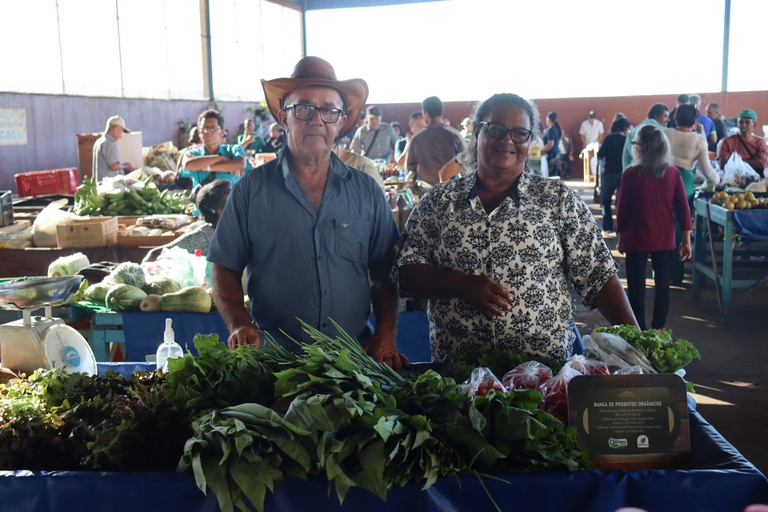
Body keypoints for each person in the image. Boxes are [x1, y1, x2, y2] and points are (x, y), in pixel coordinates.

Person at [393, 93, 638, 362]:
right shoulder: (439, 202)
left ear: (530, 141)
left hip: (545, 378)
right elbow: (406, 272)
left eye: (520, 133)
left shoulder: (557, 199)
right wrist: (461, 284)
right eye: (496, 129)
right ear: (477, 133)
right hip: (460, 378)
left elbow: (600, 276)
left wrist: (638, 347)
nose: (507, 140)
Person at [208, 56, 406, 370]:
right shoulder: (250, 191)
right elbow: (223, 265)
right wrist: (237, 323)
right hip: (274, 364)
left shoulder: (367, 192)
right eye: (303, 108)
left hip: (354, 361)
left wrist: (385, 331)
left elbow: (386, 272)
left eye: (329, 109)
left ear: (340, 122)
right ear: (283, 119)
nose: (317, 119)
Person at [616, 125, 692, 331]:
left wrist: (620, 236)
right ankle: (659, 327)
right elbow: (683, 209)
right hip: (664, 238)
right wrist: (686, 240)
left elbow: (622, 208)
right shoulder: (672, 173)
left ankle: (637, 327)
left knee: (636, 287)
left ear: (640, 148)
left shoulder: (631, 173)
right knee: (662, 285)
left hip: (635, 237)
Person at [663, 104, 721, 284]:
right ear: (695, 121)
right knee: (681, 226)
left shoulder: (665, 133)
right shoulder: (698, 140)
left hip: (662, 177)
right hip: (684, 181)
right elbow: (706, 170)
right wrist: (719, 181)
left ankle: (661, 270)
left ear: (675, 118)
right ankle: (677, 272)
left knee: (662, 223)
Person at [142, 179, 231, 263]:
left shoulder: (237, 230)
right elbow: (154, 254)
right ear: (221, 212)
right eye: (234, 200)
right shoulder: (203, 238)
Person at [180, 110, 251, 188]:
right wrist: (220, 158)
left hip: (231, 200)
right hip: (203, 199)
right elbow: (187, 165)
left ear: (222, 132)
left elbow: (241, 163)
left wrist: (205, 167)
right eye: (204, 128)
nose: (207, 132)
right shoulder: (192, 153)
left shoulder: (233, 150)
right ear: (199, 132)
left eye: (213, 128)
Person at [406, 96, 466, 186]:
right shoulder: (454, 135)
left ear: (426, 114)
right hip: (451, 190)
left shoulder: (417, 138)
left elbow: (410, 169)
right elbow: (467, 161)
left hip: (426, 191)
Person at [597, 117, 631, 232]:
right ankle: (621, 227)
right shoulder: (628, 140)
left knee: (606, 200)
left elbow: (600, 155)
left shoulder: (608, 139)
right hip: (624, 173)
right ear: (626, 128)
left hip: (609, 172)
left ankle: (607, 227)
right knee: (622, 201)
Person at [622, 103, 670, 170]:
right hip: (658, 173)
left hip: (635, 172)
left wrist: (626, 175)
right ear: (656, 116)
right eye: (665, 116)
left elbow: (626, 158)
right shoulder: (664, 132)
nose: (668, 120)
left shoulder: (632, 132)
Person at [92, 115, 134, 181]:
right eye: (121, 131)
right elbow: (113, 166)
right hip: (109, 186)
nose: (121, 135)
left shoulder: (99, 141)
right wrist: (125, 166)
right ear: (116, 128)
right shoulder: (109, 144)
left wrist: (122, 165)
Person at [541, 112, 562, 177]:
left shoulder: (551, 130)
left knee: (552, 177)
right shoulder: (556, 129)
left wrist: (542, 150)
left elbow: (550, 144)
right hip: (556, 155)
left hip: (552, 156)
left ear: (549, 119)